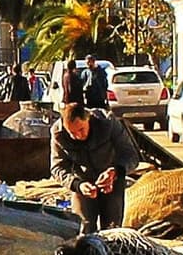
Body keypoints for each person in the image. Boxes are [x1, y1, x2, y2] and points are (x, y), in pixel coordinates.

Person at [53, 98, 143, 231]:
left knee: (112, 230)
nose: (78, 136)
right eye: (72, 133)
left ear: (87, 119)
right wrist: (77, 184)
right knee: (83, 229)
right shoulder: (57, 133)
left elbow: (131, 155)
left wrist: (115, 171)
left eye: (81, 129)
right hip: (83, 184)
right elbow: (57, 168)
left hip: (113, 181)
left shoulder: (108, 122)